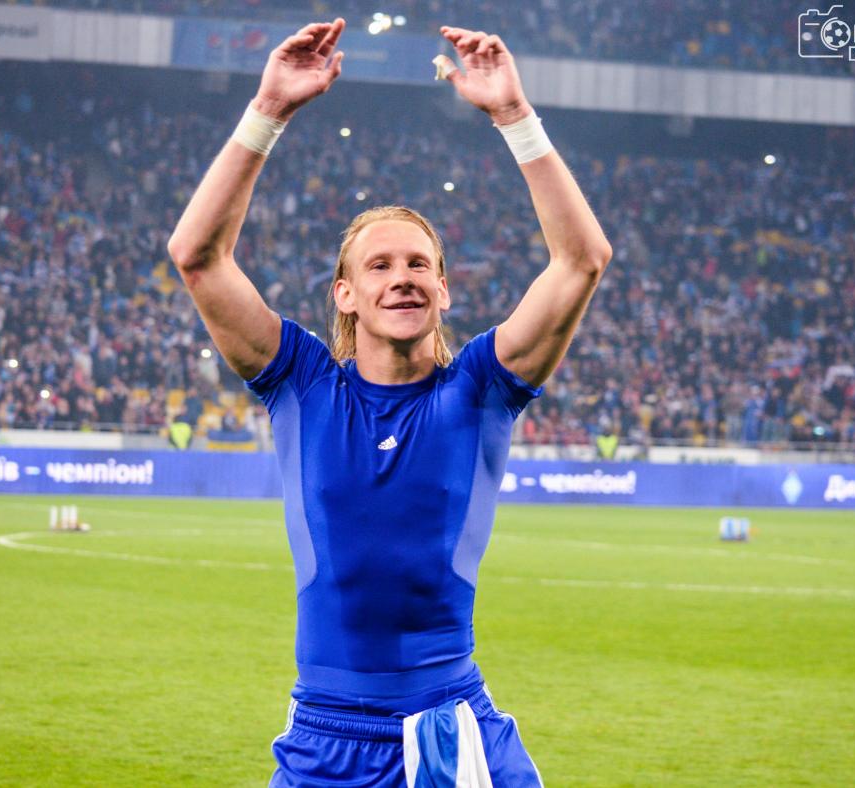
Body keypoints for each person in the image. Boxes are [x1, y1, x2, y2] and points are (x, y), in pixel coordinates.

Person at [168, 19, 611, 786]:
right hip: (325, 739)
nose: (401, 277)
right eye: (378, 265)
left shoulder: (480, 390)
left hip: (451, 731)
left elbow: (582, 261)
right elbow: (197, 256)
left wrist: (514, 116)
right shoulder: (303, 383)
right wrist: (268, 110)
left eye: (418, 264)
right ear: (345, 293)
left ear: (443, 289)